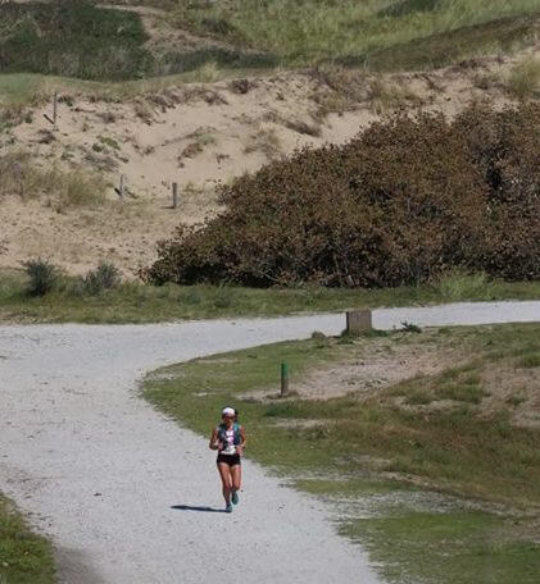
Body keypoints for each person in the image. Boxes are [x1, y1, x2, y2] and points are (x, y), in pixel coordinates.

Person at [209, 406, 246, 513]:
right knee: (226, 484)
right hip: (223, 458)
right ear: (222, 417)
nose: (228, 419)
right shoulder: (217, 429)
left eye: (230, 417)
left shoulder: (239, 428)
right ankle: (228, 504)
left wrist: (241, 446)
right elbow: (211, 446)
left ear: (234, 417)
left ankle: (234, 492)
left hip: (235, 458)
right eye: (226, 417)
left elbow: (245, 440)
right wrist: (217, 446)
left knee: (236, 485)